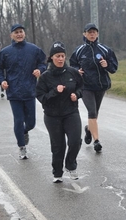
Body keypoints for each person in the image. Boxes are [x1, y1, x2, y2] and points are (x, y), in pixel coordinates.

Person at [0, 24, 46, 159]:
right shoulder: (5, 52)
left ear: (24, 33)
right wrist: (2, 81)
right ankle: (21, 147)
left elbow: (43, 62)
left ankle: (24, 132)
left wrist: (40, 70)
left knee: (31, 123)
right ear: (11, 35)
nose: (19, 34)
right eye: (16, 32)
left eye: (21, 32)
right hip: (14, 91)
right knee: (18, 120)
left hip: (29, 91)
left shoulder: (33, 49)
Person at [36, 41, 83, 183]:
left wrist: (77, 95)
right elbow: (41, 97)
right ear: (51, 58)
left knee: (75, 141)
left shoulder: (73, 73)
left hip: (71, 112)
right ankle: (57, 172)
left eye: (62, 55)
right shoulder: (45, 77)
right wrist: (55, 91)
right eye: (57, 56)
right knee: (58, 146)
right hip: (52, 116)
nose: (61, 59)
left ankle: (71, 165)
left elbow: (81, 87)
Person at [70, 23, 118, 153]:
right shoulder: (79, 50)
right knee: (92, 112)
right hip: (85, 87)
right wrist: (76, 71)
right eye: (89, 32)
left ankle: (89, 129)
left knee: (95, 114)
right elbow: (72, 65)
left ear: (97, 34)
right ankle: (97, 141)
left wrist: (107, 64)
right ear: (84, 34)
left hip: (100, 86)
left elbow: (114, 68)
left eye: (94, 32)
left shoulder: (105, 49)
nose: (92, 34)